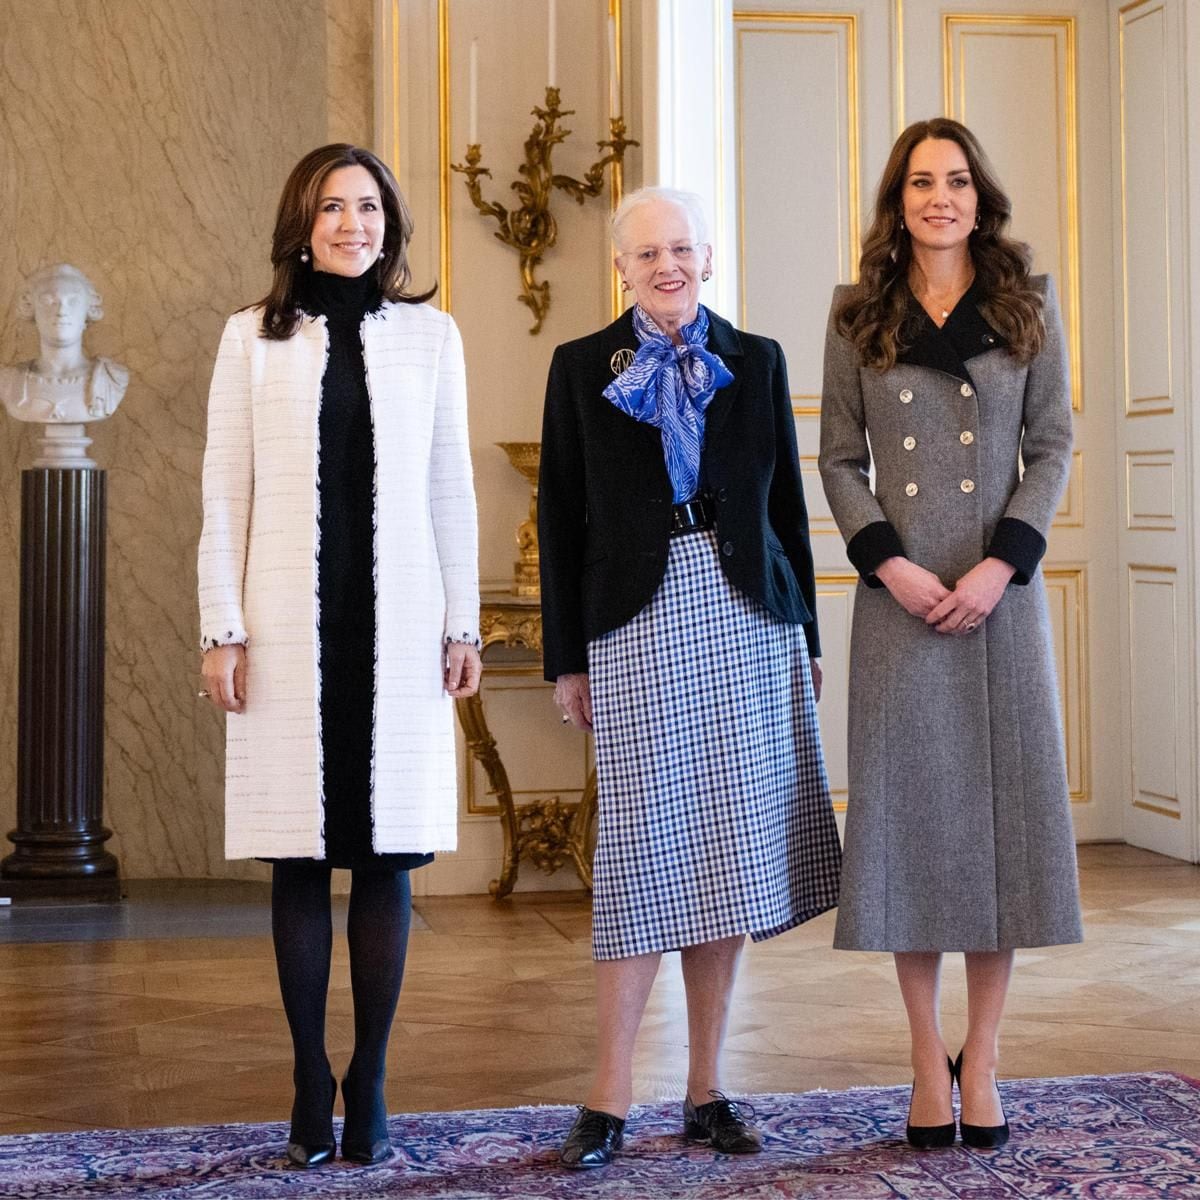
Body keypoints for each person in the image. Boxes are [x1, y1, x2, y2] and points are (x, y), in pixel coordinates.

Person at [539, 186, 841, 1169]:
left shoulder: (758, 362)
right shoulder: (582, 369)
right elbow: (560, 524)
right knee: (639, 853)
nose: (665, 265)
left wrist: (807, 635)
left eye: (681, 248)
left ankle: (707, 1090)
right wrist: (566, 659)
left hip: (748, 615)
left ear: (707, 257)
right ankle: (608, 1096)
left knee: (726, 852)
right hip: (634, 621)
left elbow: (787, 508)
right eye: (646, 253)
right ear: (620, 267)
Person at [197, 144, 481, 1169]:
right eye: (332, 208)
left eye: (368, 207)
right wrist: (220, 627)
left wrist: (463, 623)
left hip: (400, 627)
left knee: (386, 856)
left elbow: (452, 484)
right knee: (300, 855)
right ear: (301, 223)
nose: (352, 224)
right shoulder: (250, 339)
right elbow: (225, 492)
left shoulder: (431, 337)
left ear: (390, 224)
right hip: (286, 626)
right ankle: (308, 1077)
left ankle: (370, 1077)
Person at [819, 118, 1082, 1151]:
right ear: (900, 200)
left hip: (1000, 600)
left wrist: (1000, 562)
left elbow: (1052, 444)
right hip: (902, 601)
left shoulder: (1028, 306)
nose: (941, 198)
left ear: (981, 197)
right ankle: (928, 1058)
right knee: (910, 835)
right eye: (922, 182)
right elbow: (840, 458)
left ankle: (989, 1053)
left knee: (1000, 838)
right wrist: (888, 561)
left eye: (958, 180)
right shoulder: (858, 316)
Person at [0, 263, 128, 424]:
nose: (61, 311)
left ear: (88, 310)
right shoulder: (9, 380)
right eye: (48, 301)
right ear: (32, 309)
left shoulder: (111, 378)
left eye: (73, 302)